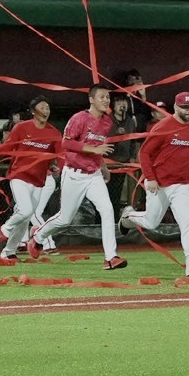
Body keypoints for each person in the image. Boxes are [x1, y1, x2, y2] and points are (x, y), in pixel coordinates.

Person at [32, 84, 128, 271]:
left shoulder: (107, 122)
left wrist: (103, 166)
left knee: (107, 211)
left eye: (108, 97)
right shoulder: (79, 118)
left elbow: (97, 145)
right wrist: (95, 150)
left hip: (93, 175)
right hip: (74, 175)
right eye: (102, 97)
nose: (106, 100)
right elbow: (66, 142)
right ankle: (37, 237)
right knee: (64, 219)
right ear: (91, 99)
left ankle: (110, 257)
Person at [122, 91, 189, 277]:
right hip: (159, 183)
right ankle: (128, 217)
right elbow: (144, 153)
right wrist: (150, 177)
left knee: (187, 223)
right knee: (152, 222)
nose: (188, 110)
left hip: (182, 185)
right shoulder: (163, 126)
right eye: (184, 107)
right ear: (175, 107)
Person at [0, 95, 63, 262]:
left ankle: (9, 251)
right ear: (33, 111)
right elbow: (7, 147)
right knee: (25, 210)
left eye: (47, 107)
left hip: (39, 180)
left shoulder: (54, 133)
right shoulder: (21, 128)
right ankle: (5, 229)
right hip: (19, 175)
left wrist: (57, 167)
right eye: (42, 107)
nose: (46, 110)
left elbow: (60, 156)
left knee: (25, 219)